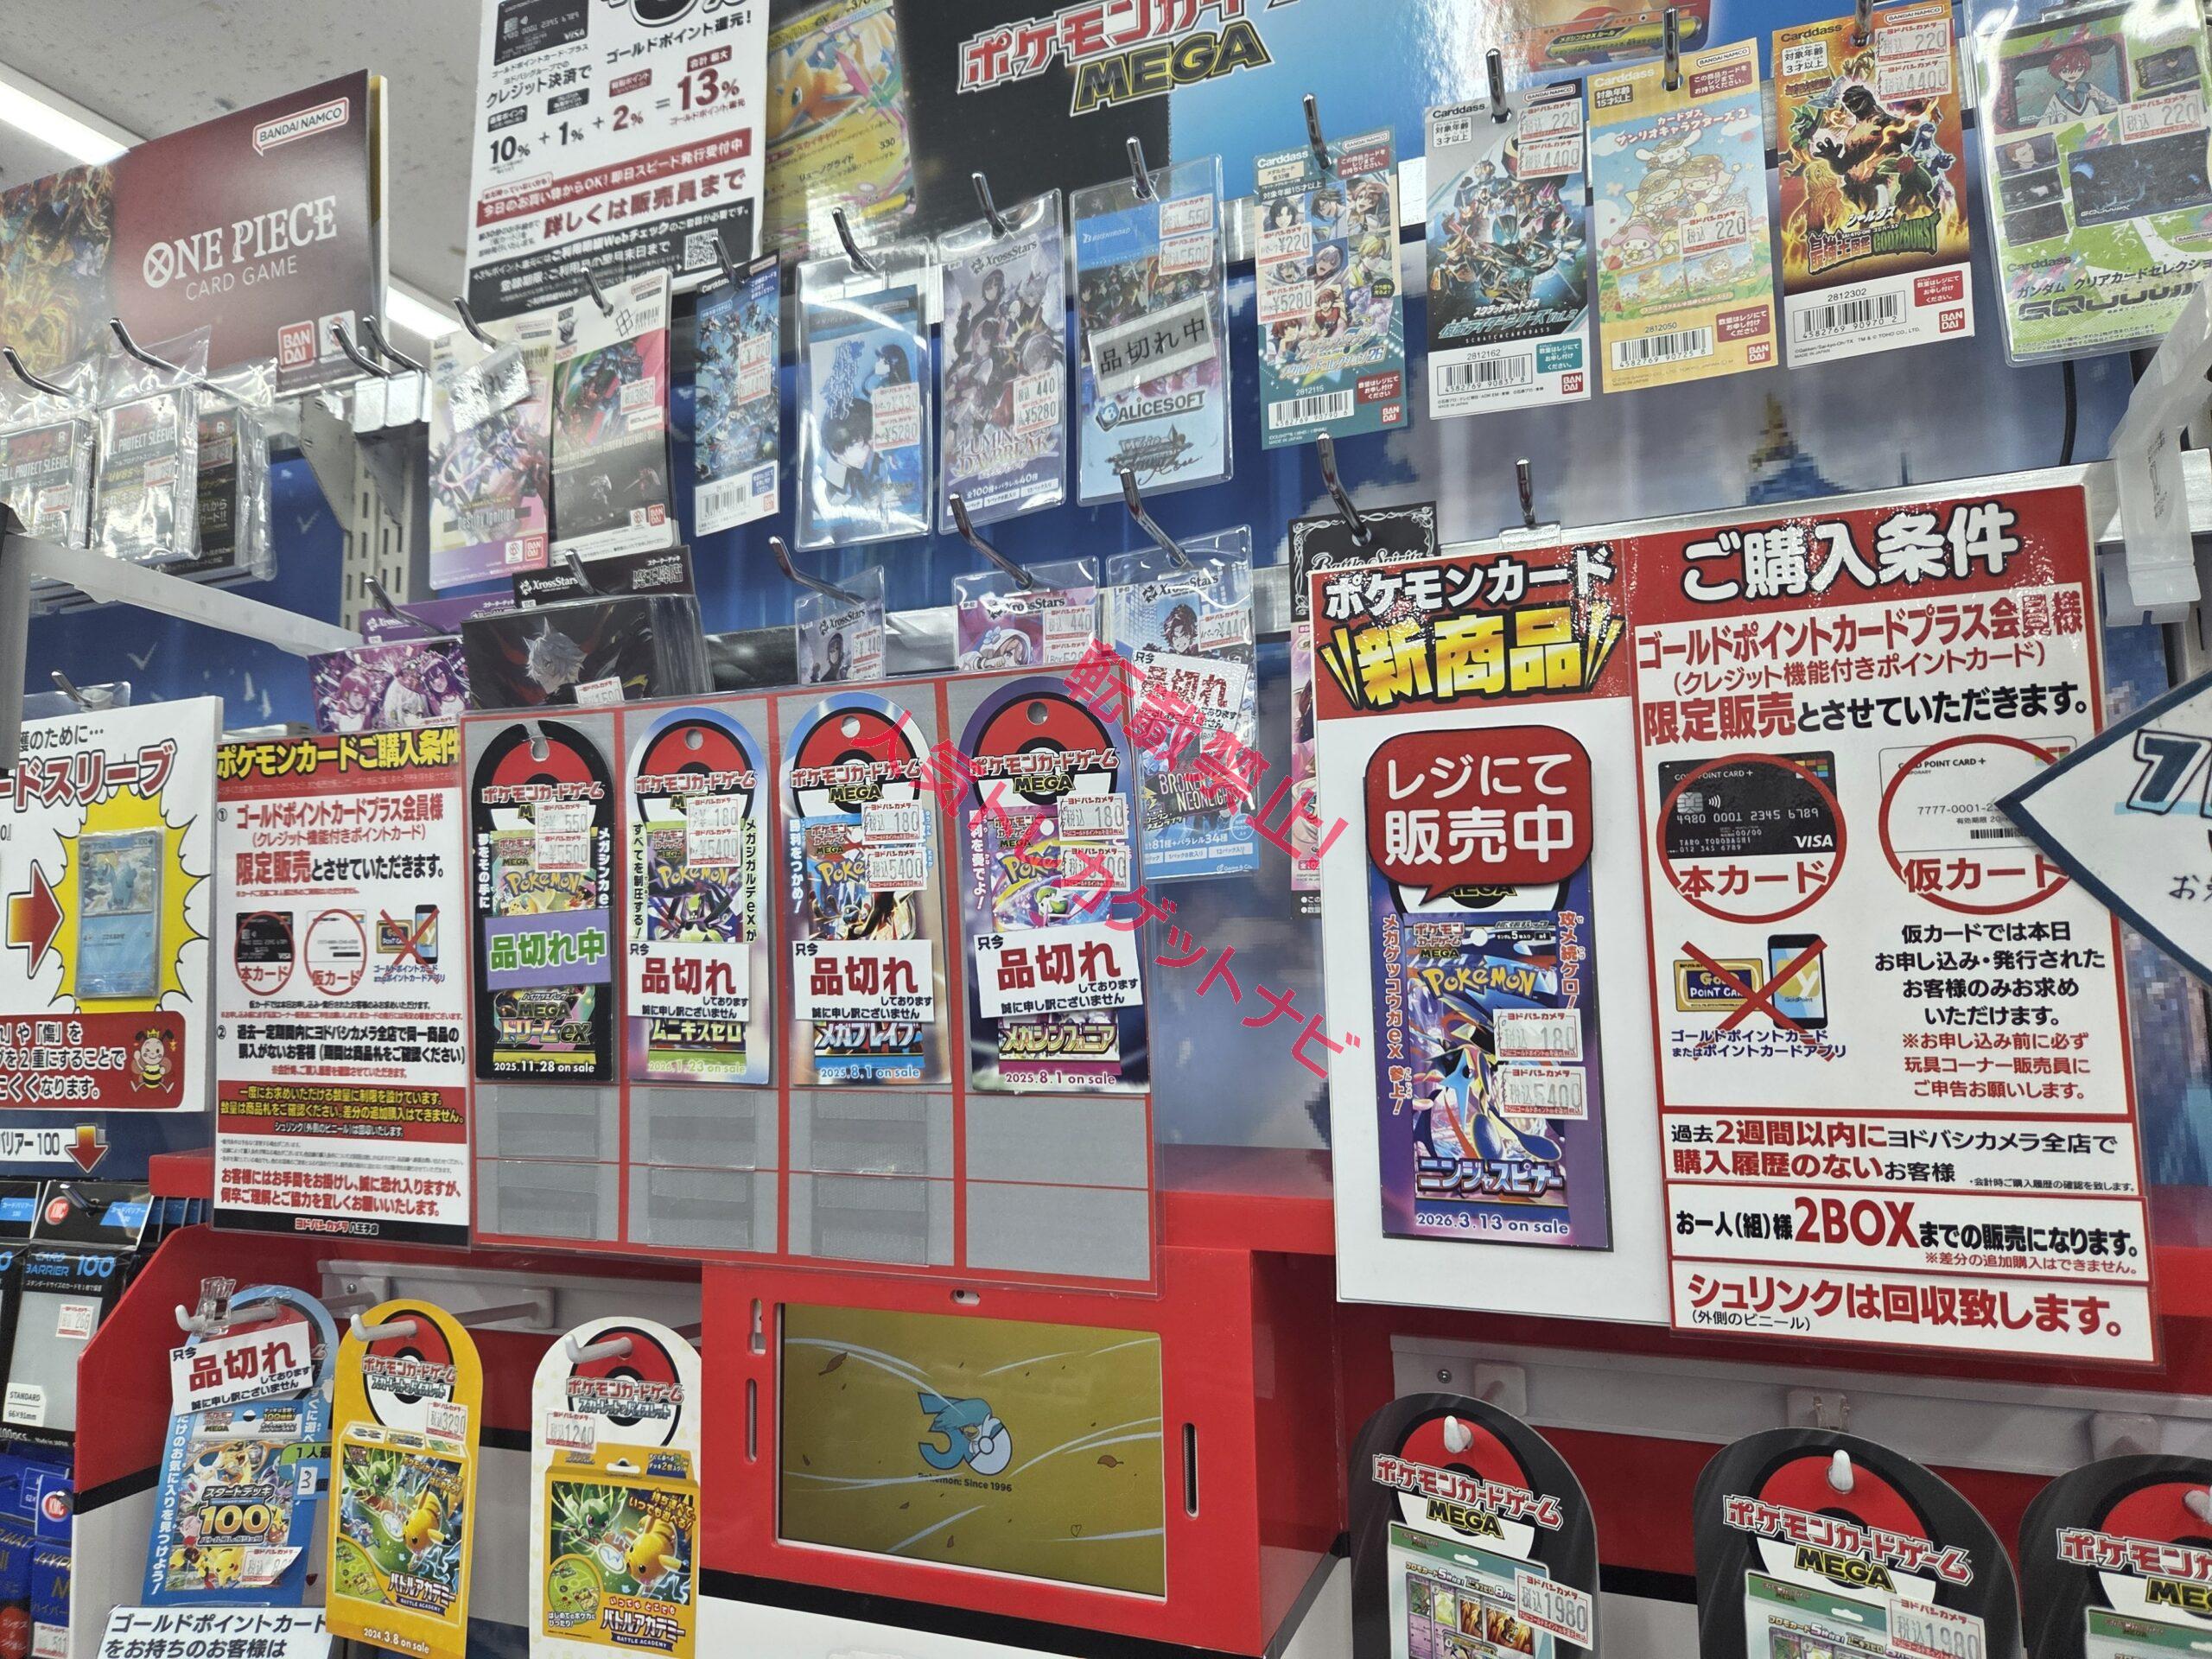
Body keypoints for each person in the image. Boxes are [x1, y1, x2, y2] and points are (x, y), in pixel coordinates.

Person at [2040, 44, 2120, 125]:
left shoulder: (2089, 87)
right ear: (2057, 71)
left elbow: (2115, 106)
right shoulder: (2058, 96)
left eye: (2079, 69)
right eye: (2064, 71)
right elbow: (2045, 123)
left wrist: (2099, 99)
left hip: (2096, 129)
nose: (2072, 74)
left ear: (2085, 69)